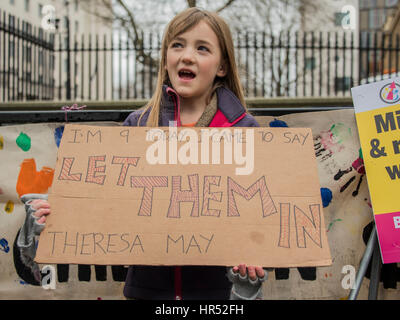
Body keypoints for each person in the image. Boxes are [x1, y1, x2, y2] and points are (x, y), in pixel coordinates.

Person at [17, 7, 270, 300]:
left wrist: (246, 290)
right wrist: (53, 219)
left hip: (217, 294)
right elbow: (105, 201)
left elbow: (260, 224)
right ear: (166, 57)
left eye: (202, 48)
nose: (187, 55)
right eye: (177, 45)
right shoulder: (137, 125)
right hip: (146, 292)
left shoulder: (245, 132)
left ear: (222, 66)